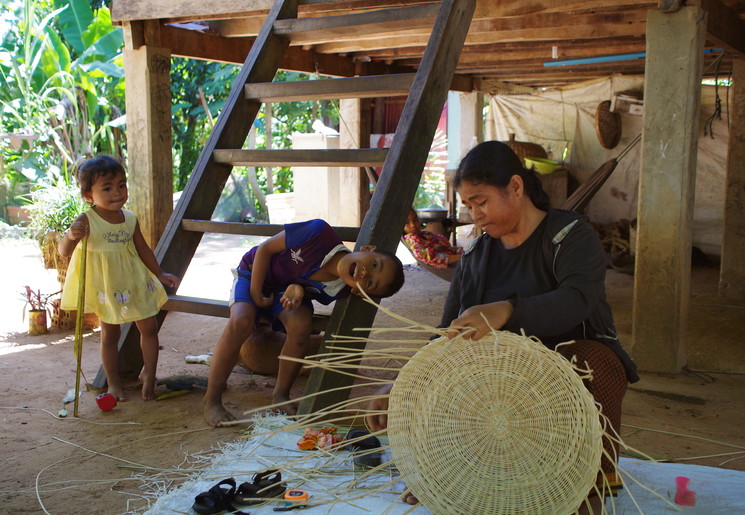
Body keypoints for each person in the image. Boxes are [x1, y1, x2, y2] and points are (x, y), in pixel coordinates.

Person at [367, 141, 638, 511]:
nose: (475, 215)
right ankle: (448, 476)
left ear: (515, 186)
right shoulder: (476, 256)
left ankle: (588, 484)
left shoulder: (568, 236)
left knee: (596, 362)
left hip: (569, 368)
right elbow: (447, 332)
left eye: (482, 201)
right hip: (501, 378)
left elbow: (577, 301)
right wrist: (402, 384)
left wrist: (506, 310)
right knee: (450, 375)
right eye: (469, 206)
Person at [204, 218, 405, 426]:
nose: (365, 273)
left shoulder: (342, 289)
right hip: (253, 272)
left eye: (370, 282)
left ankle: (280, 396)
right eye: (373, 264)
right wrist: (256, 295)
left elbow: (299, 286)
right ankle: (212, 399)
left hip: (286, 292)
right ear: (367, 248)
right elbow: (265, 249)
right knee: (241, 321)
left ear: (358, 291)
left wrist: (297, 289)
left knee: (301, 326)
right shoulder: (318, 232)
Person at [59, 156, 180, 401]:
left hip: (133, 280)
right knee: (110, 335)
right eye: (107, 187)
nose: (117, 192)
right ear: (88, 195)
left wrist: (159, 273)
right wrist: (71, 237)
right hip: (106, 286)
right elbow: (63, 252)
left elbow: (143, 249)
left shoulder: (130, 218)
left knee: (149, 327)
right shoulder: (86, 220)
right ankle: (113, 383)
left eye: (122, 185)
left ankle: (149, 374)